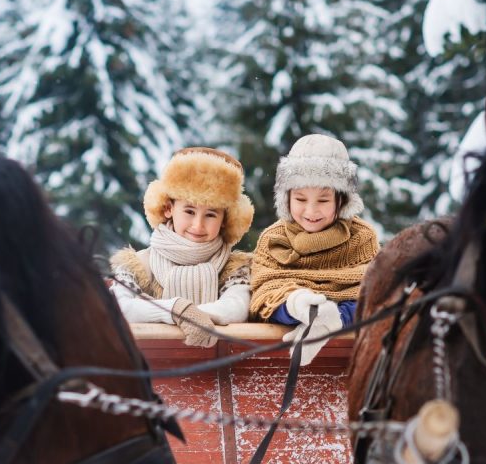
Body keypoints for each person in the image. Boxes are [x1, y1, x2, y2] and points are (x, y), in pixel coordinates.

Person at [251, 134, 379, 364]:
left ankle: (330, 318)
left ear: (342, 200)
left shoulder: (362, 237)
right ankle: (305, 307)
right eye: (300, 199)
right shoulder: (273, 238)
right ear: (286, 198)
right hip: (280, 346)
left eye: (322, 201)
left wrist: (333, 319)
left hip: (344, 360)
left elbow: (374, 294)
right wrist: (298, 304)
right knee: (279, 303)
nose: (311, 211)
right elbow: (263, 295)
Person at [111, 147, 254, 348]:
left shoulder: (234, 268)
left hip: (218, 370)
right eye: (189, 211)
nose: (198, 225)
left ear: (225, 219)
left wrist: (188, 314)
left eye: (211, 214)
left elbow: (236, 307)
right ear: (169, 208)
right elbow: (119, 307)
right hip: (155, 369)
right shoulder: (138, 264)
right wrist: (177, 310)